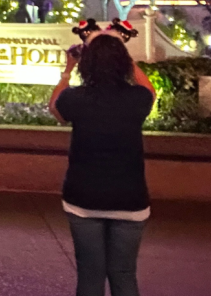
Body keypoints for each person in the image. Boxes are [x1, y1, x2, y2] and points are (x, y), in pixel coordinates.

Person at [49, 32, 156, 296]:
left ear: (88, 64)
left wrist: (67, 70)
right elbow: (150, 92)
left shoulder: (76, 98)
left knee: (89, 274)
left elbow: (55, 108)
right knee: (124, 274)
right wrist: (126, 59)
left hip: (83, 198)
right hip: (130, 199)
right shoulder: (136, 99)